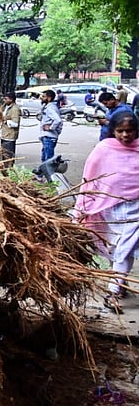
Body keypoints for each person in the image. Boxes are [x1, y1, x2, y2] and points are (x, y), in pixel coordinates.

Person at [75, 111, 139, 313]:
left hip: (136, 208)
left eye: (130, 131)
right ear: (113, 131)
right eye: (120, 131)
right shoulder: (103, 149)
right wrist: (83, 206)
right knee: (114, 247)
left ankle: (113, 290)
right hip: (109, 207)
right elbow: (90, 177)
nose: (125, 135)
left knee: (124, 249)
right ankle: (119, 283)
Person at [39, 89, 63, 162]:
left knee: (48, 160)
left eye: (43, 96)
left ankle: (49, 173)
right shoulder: (47, 107)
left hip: (49, 137)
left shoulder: (50, 108)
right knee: (44, 158)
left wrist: (50, 128)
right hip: (46, 136)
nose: (41, 98)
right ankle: (43, 173)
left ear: (49, 98)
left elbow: (58, 120)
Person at [0, 91, 20, 168]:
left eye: (5, 99)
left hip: (10, 136)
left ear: (11, 100)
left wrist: (5, 121)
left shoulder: (15, 109)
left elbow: (15, 123)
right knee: (3, 154)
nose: (4, 100)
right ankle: (5, 170)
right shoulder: (6, 107)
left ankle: (9, 170)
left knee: (8, 155)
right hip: (4, 134)